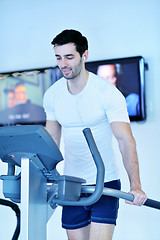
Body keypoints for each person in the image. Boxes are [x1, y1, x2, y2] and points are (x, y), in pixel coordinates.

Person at [43, 29, 147, 240]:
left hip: (105, 183)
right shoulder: (53, 95)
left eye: (69, 57)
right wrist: (44, 178)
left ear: (85, 56)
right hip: (71, 185)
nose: (63, 63)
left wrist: (135, 185)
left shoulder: (107, 93)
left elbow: (125, 141)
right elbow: (50, 141)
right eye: (59, 57)